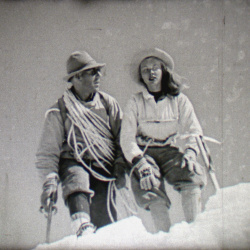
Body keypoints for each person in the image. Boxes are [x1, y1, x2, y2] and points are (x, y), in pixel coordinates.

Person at [36, 50, 126, 237]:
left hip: (104, 165)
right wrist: (49, 182)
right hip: (74, 160)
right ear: (77, 77)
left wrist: (119, 163)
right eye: (92, 72)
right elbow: (48, 152)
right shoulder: (59, 110)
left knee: (106, 224)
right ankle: (81, 226)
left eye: (98, 71)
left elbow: (122, 138)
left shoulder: (108, 104)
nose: (98, 76)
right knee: (76, 178)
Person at [120, 48, 207, 233]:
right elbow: (127, 138)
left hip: (169, 150)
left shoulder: (179, 100)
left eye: (155, 68)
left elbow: (194, 130)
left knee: (191, 174)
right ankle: (164, 237)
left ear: (163, 70)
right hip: (144, 152)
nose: (151, 73)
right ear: (141, 76)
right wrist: (140, 164)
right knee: (150, 186)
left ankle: (196, 232)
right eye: (145, 70)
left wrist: (191, 152)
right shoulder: (135, 102)